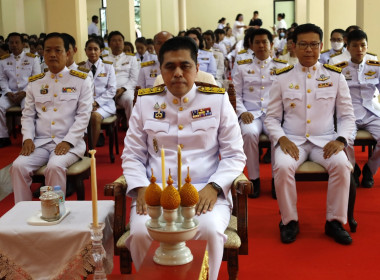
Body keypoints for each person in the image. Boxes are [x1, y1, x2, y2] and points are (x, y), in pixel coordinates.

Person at [121, 36, 246, 280]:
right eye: (170, 66)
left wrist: (215, 187)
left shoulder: (217, 100)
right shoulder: (146, 102)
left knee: (209, 230)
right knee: (139, 233)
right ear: (161, 70)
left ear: (197, 68)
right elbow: (132, 155)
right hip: (155, 191)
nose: (178, 73)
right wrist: (141, 188)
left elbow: (234, 154)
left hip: (203, 191)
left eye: (185, 66)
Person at [264, 23, 356, 245]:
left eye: (313, 45)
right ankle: (289, 221)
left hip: (325, 141)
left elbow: (347, 117)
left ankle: (334, 222)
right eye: (303, 44)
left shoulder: (335, 77)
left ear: (321, 46)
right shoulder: (282, 77)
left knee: (342, 166)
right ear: (293, 47)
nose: (308, 50)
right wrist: (281, 138)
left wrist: (341, 140)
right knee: (283, 167)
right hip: (292, 141)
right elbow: (272, 118)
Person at [10, 32, 93, 202]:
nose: (52, 54)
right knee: (18, 166)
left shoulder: (81, 80)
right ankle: (22, 212)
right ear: (43, 53)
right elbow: (27, 115)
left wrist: (68, 141)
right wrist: (27, 138)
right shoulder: (35, 82)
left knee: (54, 167)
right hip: (41, 142)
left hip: (70, 142)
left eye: (58, 50)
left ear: (67, 53)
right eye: (48, 50)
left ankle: (54, 213)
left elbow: (84, 116)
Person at [233, 28, 287, 198]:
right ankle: (254, 179)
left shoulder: (282, 67)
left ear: (271, 45)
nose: (261, 45)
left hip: (274, 114)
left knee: (277, 136)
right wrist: (242, 112)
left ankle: (275, 180)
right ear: (251, 45)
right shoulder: (242, 67)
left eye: (265, 42)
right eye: (257, 42)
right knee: (249, 133)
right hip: (251, 113)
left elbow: (287, 95)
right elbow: (236, 94)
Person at [336, 29, 380, 188]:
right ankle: (353, 170)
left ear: (367, 47)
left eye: (363, 45)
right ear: (347, 47)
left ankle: (370, 169)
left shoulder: (375, 66)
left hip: (371, 112)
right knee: (345, 140)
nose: (359, 49)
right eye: (355, 46)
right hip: (348, 113)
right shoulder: (339, 67)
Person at [0, 32, 41, 148]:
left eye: (17, 42)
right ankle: (3, 136)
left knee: (27, 108)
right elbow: (2, 79)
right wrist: (8, 92)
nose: (14, 45)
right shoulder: (3, 60)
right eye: (11, 43)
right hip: (10, 93)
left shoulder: (32, 59)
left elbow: (36, 79)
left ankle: (28, 137)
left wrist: (24, 92)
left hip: (27, 92)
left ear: (23, 44)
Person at [83, 37, 116, 147]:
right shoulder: (80, 68)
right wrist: (89, 104)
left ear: (100, 51)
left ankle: (91, 150)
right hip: (86, 104)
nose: (92, 52)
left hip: (104, 104)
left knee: (95, 116)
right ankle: (79, 149)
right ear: (85, 51)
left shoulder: (108, 66)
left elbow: (112, 90)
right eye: (90, 49)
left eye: (95, 49)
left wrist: (96, 103)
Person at [106, 31, 139, 126]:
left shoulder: (131, 58)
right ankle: (101, 132)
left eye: (120, 40)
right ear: (109, 44)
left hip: (125, 90)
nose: (117, 43)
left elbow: (134, 79)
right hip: (108, 91)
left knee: (129, 99)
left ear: (123, 43)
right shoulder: (104, 59)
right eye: (114, 41)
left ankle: (131, 127)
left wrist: (123, 89)